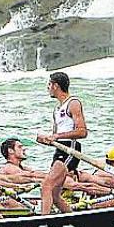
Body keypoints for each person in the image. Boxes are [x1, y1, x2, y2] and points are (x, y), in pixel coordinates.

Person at [36, 71, 88, 214]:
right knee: (54, 194)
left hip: (70, 148)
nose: (47, 88)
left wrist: (57, 136)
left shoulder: (73, 103)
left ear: (56, 86)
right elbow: (55, 136)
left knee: (46, 184)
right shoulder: (56, 109)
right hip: (59, 150)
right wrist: (46, 139)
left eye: (49, 85)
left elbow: (82, 131)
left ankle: (43, 221)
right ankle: (72, 219)